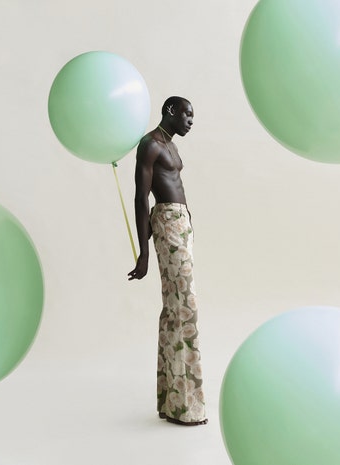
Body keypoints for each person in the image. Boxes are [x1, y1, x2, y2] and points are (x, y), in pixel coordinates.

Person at [127, 96, 207, 426]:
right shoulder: (150, 144)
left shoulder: (171, 145)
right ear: (171, 111)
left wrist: (186, 220)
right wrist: (143, 253)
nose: (191, 120)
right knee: (183, 306)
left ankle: (172, 400)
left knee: (175, 308)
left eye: (193, 116)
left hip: (181, 226)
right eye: (187, 114)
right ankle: (185, 406)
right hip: (167, 225)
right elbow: (140, 196)